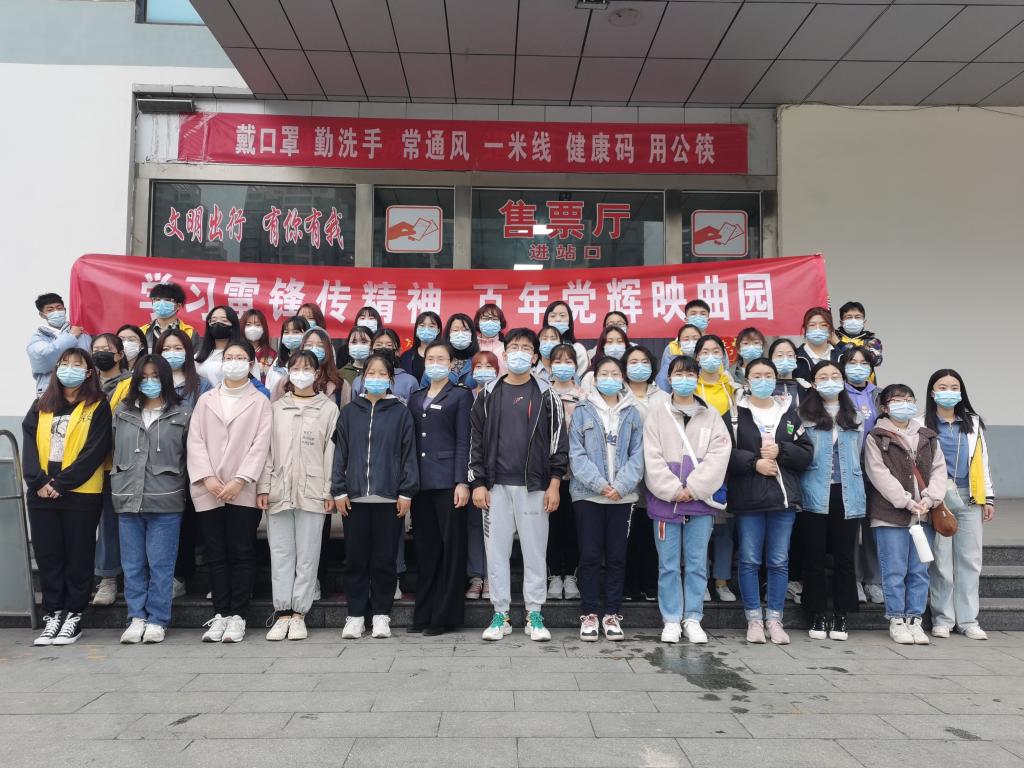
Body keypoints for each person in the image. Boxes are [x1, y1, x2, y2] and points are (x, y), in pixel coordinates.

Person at [470, 328, 568, 643]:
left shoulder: (547, 394)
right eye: (514, 347)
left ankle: (534, 614)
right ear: (505, 352)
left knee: (535, 552)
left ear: (536, 356)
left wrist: (554, 484)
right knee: (496, 553)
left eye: (526, 348)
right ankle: (500, 614)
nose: (520, 353)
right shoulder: (488, 394)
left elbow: (558, 443)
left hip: (535, 487)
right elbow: (475, 442)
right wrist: (478, 482)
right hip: (495, 487)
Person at [23, 349, 112, 646]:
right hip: (41, 494)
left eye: (77, 364)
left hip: (80, 494)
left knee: (78, 555)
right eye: (64, 364)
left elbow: (95, 450)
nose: (69, 369)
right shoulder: (41, 404)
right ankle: (53, 614)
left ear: (88, 372)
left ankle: (74, 614)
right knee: (48, 556)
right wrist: (38, 481)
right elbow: (29, 446)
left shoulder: (98, 405)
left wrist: (61, 483)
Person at [187, 340, 272, 643]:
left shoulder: (260, 401)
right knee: (216, 553)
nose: (234, 362)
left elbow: (261, 445)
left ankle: (238, 615)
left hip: (242, 489)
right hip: (209, 488)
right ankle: (221, 613)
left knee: (241, 551)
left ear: (250, 364)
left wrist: (240, 480)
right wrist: (208, 478)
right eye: (229, 357)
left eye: (240, 357)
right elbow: (195, 441)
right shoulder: (206, 399)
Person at [645, 355, 732, 644]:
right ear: (669, 378)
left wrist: (693, 488)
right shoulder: (656, 413)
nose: (685, 379)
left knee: (696, 563)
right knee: (668, 564)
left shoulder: (711, 415)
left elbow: (719, 455)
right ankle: (671, 619)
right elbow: (651, 457)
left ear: (697, 378)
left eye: (690, 374)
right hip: (665, 502)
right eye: (679, 374)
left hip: (700, 501)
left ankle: (693, 617)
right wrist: (673, 489)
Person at [332, 353, 419, 640]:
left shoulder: (400, 413)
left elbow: (408, 454)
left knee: (384, 559)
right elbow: (340, 453)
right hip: (355, 498)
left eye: (383, 374)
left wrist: (406, 492)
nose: (377, 378)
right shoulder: (349, 412)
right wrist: (339, 489)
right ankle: (356, 615)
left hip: (389, 498)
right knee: (356, 559)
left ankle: (381, 614)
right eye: (372, 373)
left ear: (391, 379)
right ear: (362, 377)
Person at [727, 358, 813, 645]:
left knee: (778, 560)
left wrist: (782, 451)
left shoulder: (788, 414)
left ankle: (775, 619)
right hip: (749, 498)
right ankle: (753, 619)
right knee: (749, 559)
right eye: (757, 375)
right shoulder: (735, 414)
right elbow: (723, 452)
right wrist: (754, 463)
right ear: (747, 380)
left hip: (782, 499)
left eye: (768, 375)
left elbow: (806, 453)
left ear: (776, 379)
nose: (763, 380)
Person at [258, 351, 339, 641]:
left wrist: (329, 490)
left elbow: (331, 453)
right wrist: (264, 486)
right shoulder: (276, 408)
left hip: (313, 492)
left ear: (317, 374)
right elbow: (267, 450)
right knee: (280, 553)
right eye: (296, 368)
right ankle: (282, 613)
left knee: (308, 554)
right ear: (288, 373)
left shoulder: (328, 409)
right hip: (279, 491)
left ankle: (299, 614)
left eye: (307, 368)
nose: (301, 373)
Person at [110, 354, 191, 644]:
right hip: (128, 497)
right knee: (132, 564)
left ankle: (157, 619)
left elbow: (189, 456)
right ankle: (136, 617)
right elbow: (113, 449)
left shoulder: (182, 412)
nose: (149, 381)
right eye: (144, 376)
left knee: (161, 564)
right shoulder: (122, 412)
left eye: (155, 376)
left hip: (166, 499)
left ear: (166, 378)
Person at [864, 384, 946, 645]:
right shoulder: (876, 436)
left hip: (925, 514)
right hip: (890, 514)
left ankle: (915, 619)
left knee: (920, 571)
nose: (904, 404)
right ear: (885, 407)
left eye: (909, 400)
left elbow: (939, 470)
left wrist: (930, 499)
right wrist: (907, 502)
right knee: (894, 570)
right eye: (897, 400)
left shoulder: (927, 436)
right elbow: (878, 474)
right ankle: (896, 619)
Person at [569, 356, 644, 641]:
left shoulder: (632, 413)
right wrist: (601, 485)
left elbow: (638, 455)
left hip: (622, 498)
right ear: (595, 378)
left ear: (622, 378)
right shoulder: (582, 410)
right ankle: (589, 613)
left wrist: (621, 486)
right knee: (589, 556)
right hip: (588, 495)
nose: (609, 378)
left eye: (615, 373)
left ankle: (612, 613)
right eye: (604, 373)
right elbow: (576, 454)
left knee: (616, 557)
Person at [797, 361, 866, 641]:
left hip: (848, 492)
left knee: (844, 557)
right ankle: (816, 613)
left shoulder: (855, 415)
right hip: (814, 490)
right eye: (823, 377)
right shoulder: (803, 414)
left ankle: (841, 614)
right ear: (814, 383)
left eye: (835, 376)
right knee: (814, 556)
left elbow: (860, 453)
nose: (829, 381)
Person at [407, 341, 473, 634]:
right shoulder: (415, 397)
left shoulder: (460, 395)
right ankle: (424, 613)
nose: (435, 363)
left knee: (452, 549)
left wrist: (462, 481)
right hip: (421, 483)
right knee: (426, 549)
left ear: (450, 364)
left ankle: (445, 616)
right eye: (430, 358)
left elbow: (463, 440)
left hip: (448, 482)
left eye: (441, 359)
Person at [925, 369, 995, 640]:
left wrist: (988, 498)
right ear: (932, 393)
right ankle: (943, 618)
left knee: (970, 560)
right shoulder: (922, 423)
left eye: (954, 387)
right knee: (941, 561)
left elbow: (982, 462)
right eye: (942, 387)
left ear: (961, 392)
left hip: (969, 496)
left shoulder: (973, 423)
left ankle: (968, 620)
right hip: (939, 498)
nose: (949, 391)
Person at [154, 329, 211, 598]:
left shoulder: (201, 385)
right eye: (166, 349)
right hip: (158, 464)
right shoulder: (150, 383)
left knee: (190, 521)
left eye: (178, 348)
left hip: (191, 461)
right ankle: (170, 576)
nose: (172, 354)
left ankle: (185, 575)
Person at [694, 335, 740, 603]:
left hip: (726, 464)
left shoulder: (732, 388)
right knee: (698, 527)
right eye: (705, 352)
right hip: (695, 464)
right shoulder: (690, 385)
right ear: (697, 357)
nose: (711, 357)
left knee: (724, 527)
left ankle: (721, 581)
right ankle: (699, 580)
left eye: (716, 351)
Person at [90, 333, 132, 608]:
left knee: (114, 523)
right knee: (94, 524)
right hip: (86, 466)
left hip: (119, 464)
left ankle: (111, 578)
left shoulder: (132, 382)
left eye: (107, 349)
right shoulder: (85, 383)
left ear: (119, 354)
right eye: (96, 349)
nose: (101, 353)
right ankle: (102, 576)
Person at [842, 347, 884, 604]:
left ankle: (874, 580)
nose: (858, 367)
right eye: (852, 362)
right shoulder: (838, 393)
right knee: (850, 528)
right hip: (848, 467)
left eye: (863, 362)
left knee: (873, 526)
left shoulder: (880, 395)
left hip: (877, 469)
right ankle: (854, 579)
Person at [546, 343, 585, 601]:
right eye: (558, 361)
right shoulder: (542, 393)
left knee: (573, 526)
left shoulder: (585, 397)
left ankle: (570, 574)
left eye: (568, 361)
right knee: (550, 527)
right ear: (550, 365)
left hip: (578, 474)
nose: (563, 365)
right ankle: (552, 575)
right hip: (548, 474)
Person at [622, 345, 661, 603]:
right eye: (633, 361)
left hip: (656, 472)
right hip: (625, 473)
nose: (639, 366)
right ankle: (629, 585)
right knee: (628, 532)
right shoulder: (617, 394)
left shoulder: (663, 397)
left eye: (644, 361)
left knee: (650, 531)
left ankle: (649, 583)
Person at [464, 351, 500, 600]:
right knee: (475, 525)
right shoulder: (465, 396)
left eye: (489, 366)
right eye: (479, 366)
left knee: (496, 526)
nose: (484, 370)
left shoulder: (502, 395)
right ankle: (476, 576)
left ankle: (492, 577)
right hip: (471, 471)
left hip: (498, 471)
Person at [28, 293, 92, 396]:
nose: (56, 312)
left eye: (59, 308)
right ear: (42, 314)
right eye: (50, 310)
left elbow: (92, 361)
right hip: (51, 393)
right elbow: (44, 358)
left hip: (83, 391)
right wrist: (71, 337)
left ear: (65, 310)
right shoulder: (38, 338)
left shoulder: (82, 334)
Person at [353, 329, 419, 403]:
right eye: (378, 345)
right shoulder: (359, 381)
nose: (383, 348)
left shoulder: (410, 382)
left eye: (389, 345)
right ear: (371, 350)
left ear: (398, 351)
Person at [141, 282, 198, 351]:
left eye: (167, 300)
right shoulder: (142, 331)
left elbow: (195, 356)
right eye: (157, 299)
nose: (161, 303)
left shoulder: (189, 332)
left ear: (178, 305)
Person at [194, 306, 242, 387]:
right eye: (213, 320)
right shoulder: (198, 356)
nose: (217, 324)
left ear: (233, 325)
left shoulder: (243, 354)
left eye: (224, 320)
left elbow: (254, 384)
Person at [543, 301, 589, 378]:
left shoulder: (577, 349)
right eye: (553, 316)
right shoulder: (540, 347)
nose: (558, 319)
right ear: (546, 320)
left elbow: (582, 377)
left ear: (569, 320)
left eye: (562, 315)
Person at [580, 326, 630, 394]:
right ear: (603, 345)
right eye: (609, 342)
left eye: (620, 341)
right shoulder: (590, 376)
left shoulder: (631, 373)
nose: (615, 346)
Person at [835, 301, 883, 370]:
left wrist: (838, 344)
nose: (853, 320)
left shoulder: (872, 341)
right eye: (849, 317)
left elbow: (877, 361)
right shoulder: (833, 337)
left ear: (864, 322)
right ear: (841, 322)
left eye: (857, 317)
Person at [656, 323, 701, 393]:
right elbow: (663, 385)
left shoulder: (707, 361)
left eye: (695, 339)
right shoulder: (671, 351)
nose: (691, 342)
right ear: (679, 343)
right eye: (686, 339)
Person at [796, 307, 838, 381]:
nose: (817, 329)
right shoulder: (795, 357)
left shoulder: (840, 355)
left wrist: (839, 343)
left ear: (830, 329)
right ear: (805, 329)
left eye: (823, 325)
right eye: (812, 325)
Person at [400, 310, 443, 382]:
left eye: (431, 326)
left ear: (438, 331)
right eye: (422, 326)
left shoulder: (445, 355)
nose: (426, 329)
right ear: (417, 330)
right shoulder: (407, 356)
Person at [770, 338, 811, 408]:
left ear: (795, 358)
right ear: (771, 359)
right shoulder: (765, 387)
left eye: (790, 355)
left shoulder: (805, 387)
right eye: (780, 355)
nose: (785, 359)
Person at [442, 313, 478, 388]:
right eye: (455, 330)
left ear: (472, 334)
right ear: (449, 333)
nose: (460, 334)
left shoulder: (479, 359)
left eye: (465, 330)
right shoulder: (439, 358)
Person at [240, 309, 275, 381]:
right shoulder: (236, 352)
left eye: (257, 325)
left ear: (264, 328)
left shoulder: (272, 354)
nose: (253, 328)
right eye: (248, 324)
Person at [474, 303, 508, 374]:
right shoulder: (471, 346)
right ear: (478, 322)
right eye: (485, 318)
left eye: (494, 319)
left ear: (501, 323)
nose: (489, 322)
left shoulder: (507, 347)